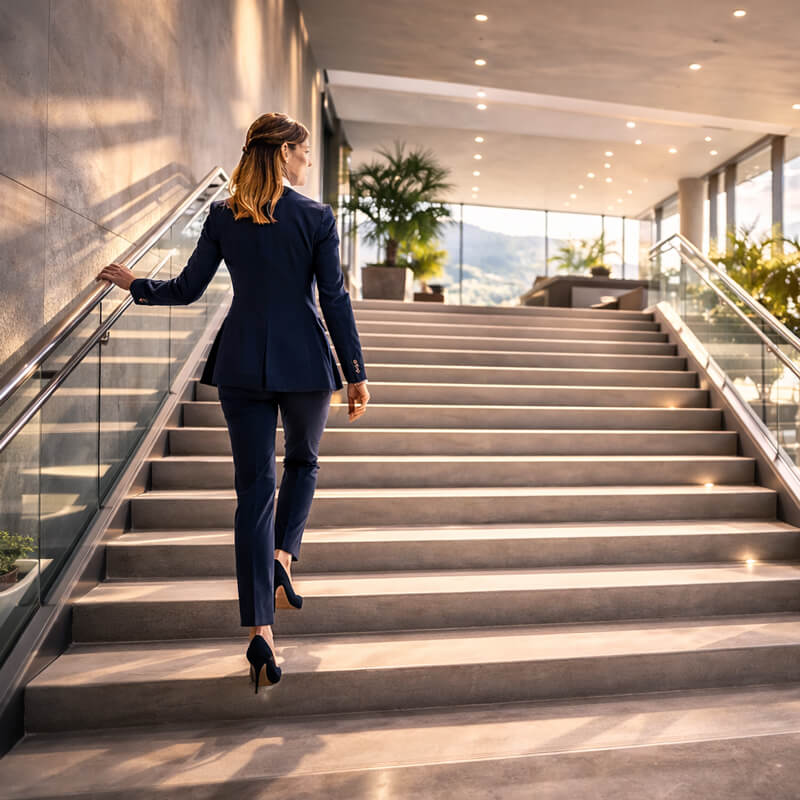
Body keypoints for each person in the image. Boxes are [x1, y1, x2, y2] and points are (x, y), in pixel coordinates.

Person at [95, 111, 371, 693]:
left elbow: (190, 288)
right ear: (287, 152)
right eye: (304, 153)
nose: (307, 162)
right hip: (304, 363)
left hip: (241, 362)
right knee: (303, 464)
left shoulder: (225, 214)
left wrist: (135, 285)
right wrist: (355, 374)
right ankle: (284, 558)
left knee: (252, 493)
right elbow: (335, 299)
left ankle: (260, 632)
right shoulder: (317, 216)